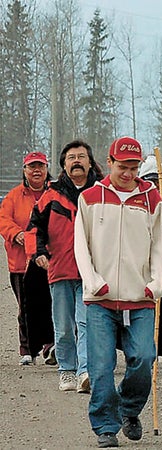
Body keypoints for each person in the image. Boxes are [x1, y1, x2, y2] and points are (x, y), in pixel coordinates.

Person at [74, 136, 162, 448]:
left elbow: (159, 245)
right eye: (122, 166)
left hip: (139, 297)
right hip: (100, 299)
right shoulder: (89, 198)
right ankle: (105, 427)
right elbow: (80, 246)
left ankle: (129, 410)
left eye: (134, 167)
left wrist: (155, 284)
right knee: (100, 368)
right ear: (109, 162)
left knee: (143, 358)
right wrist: (92, 279)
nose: (128, 173)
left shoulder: (152, 198)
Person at [29, 141, 103, 393]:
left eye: (82, 156)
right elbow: (35, 228)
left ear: (90, 162)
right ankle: (66, 371)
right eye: (71, 157)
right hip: (59, 269)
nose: (77, 161)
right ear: (63, 165)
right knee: (62, 328)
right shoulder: (51, 195)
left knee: (86, 324)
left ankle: (84, 371)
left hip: (91, 271)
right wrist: (38, 252)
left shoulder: (101, 193)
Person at [0, 151, 54, 366]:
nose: (36, 170)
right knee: (26, 306)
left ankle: (51, 346)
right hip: (20, 263)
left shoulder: (53, 193)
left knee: (51, 304)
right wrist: (16, 233)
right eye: (32, 167)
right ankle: (27, 349)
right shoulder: (14, 196)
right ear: (25, 171)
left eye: (40, 166)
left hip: (48, 259)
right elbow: (3, 220)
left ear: (47, 169)